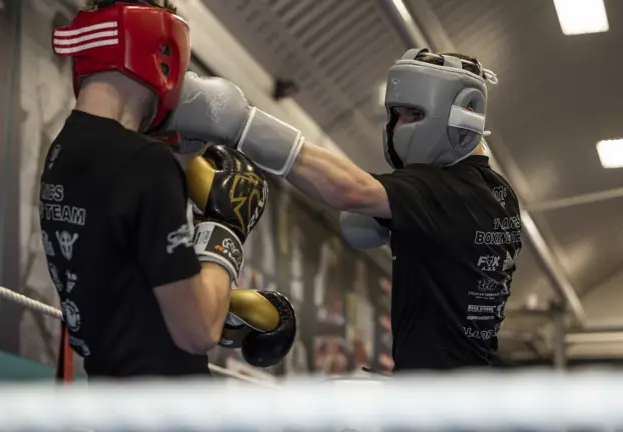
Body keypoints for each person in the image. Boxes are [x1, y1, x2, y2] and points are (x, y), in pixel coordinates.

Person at [160, 48, 522, 371]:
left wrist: (239, 122)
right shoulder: (493, 193)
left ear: (463, 118)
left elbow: (348, 190)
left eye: (410, 115)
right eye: (394, 116)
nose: (396, 128)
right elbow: (364, 220)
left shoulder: (450, 192)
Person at [40, 0, 295, 378]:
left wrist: (231, 304)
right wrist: (227, 228)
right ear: (165, 52)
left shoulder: (61, 157)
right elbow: (198, 331)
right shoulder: (144, 163)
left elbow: (128, 290)